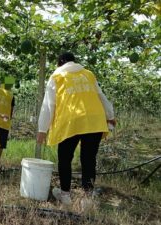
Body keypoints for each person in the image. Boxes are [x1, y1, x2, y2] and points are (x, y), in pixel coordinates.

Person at [36, 52, 116, 206]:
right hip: (94, 120)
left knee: (65, 158)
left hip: (70, 121)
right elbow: (101, 96)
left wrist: (42, 129)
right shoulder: (88, 74)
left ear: (60, 63)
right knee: (88, 159)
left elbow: (48, 105)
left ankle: (65, 195)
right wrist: (110, 115)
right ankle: (87, 198)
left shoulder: (57, 76)